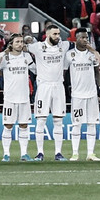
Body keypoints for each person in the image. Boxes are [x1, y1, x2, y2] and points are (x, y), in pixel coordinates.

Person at [27, 26, 70, 161]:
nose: (58, 36)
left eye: (58, 33)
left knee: (58, 120)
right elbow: (21, 46)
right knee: (41, 120)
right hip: (44, 87)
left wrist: (95, 52)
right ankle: (40, 153)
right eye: (55, 34)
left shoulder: (64, 45)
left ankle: (58, 152)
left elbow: (80, 44)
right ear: (47, 35)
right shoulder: (37, 47)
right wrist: (27, 38)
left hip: (58, 86)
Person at [0, 34, 35, 161]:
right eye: (17, 42)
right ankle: (6, 154)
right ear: (11, 43)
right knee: (8, 126)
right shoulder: (5, 57)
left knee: (24, 125)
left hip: (24, 97)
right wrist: (1, 54)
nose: (20, 44)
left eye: (21, 42)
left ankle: (24, 154)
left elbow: (36, 69)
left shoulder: (26, 56)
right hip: (10, 98)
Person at [66, 31, 100, 161]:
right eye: (82, 37)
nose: (85, 40)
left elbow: (97, 72)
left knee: (92, 123)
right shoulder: (69, 55)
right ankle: (75, 153)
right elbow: (64, 72)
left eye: (86, 38)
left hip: (92, 93)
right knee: (77, 124)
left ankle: (90, 153)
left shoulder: (92, 55)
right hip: (77, 95)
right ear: (76, 39)